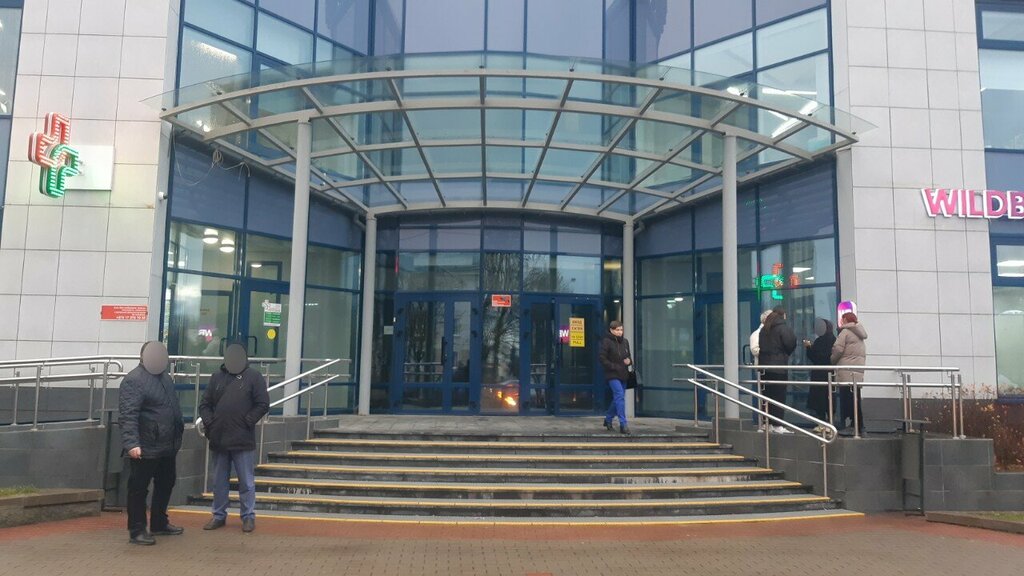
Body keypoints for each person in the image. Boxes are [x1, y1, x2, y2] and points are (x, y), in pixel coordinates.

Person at [198, 343, 269, 533]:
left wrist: (248, 421)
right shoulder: (216, 378)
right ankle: (218, 515)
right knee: (219, 481)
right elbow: (204, 404)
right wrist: (211, 422)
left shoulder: (254, 377)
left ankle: (248, 517)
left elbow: (263, 403)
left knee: (246, 481)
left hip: (242, 438)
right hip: (219, 437)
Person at [119, 341, 184, 546]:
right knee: (138, 488)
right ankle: (137, 530)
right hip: (145, 445)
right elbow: (128, 414)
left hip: (167, 444)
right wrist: (132, 443)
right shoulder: (134, 380)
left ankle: (159, 522)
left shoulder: (164, 377)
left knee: (166, 482)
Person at [758, 306, 796, 434]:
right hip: (779, 367)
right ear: (783, 315)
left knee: (766, 396)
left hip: (764, 368)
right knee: (779, 397)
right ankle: (777, 424)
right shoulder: (782, 328)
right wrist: (785, 354)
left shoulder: (764, 329)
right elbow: (790, 343)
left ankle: (766, 423)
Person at [832, 312, 868, 434]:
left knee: (847, 399)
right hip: (857, 372)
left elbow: (838, 349)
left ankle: (851, 426)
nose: (841, 322)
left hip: (846, 371)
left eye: (842, 319)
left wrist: (832, 360)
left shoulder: (845, 332)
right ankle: (859, 426)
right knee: (856, 399)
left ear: (846, 320)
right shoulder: (860, 334)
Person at [599, 320, 633, 435]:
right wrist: (613, 366)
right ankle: (623, 424)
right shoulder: (606, 342)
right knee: (619, 396)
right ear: (611, 330)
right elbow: (602, 358)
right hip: (612, 374)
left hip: (623, 374)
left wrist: (629, 361)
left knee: (618, 398)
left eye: (621, 330)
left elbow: (628, 357)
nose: (620, 332)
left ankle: (608, 419)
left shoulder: (625, 342)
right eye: (617, 330)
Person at [803, 318, 836, 425]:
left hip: (820, 373)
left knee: (820, 398)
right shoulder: (833, 339)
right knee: (828, 397)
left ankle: (822, 421)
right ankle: (829, 420)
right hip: (829, 372)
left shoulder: (820, 341)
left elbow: (816, 357)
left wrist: (809, 348)